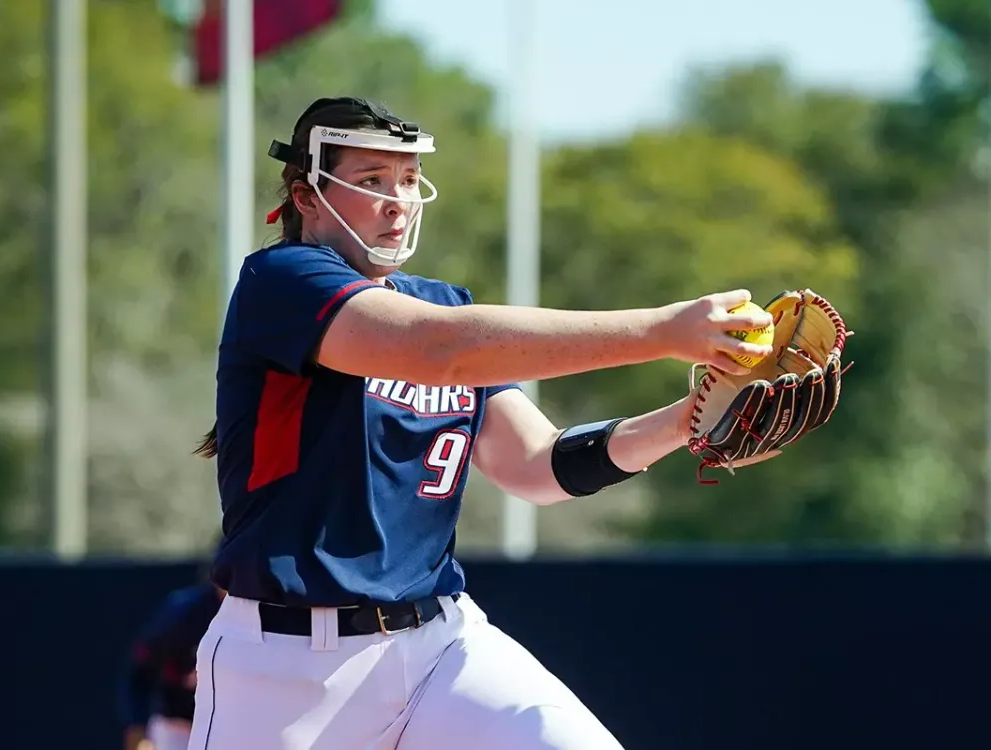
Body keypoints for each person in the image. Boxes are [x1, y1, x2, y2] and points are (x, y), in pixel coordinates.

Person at [186, 96, 774, 750]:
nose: (398, 200)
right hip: (285, 669)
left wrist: (689, 422)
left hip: (440, 647)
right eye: (372, 180)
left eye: (408, 180)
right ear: (308, 195)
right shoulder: (280, 281)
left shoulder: (440, 304)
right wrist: (664, 331)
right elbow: (434, 350)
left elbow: (539, 465)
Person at [119, 579, 224, 750]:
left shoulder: (262, 613)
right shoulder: (185, 614)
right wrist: (136, 724)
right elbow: (139, 672)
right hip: (178, 725)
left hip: (231, 724)